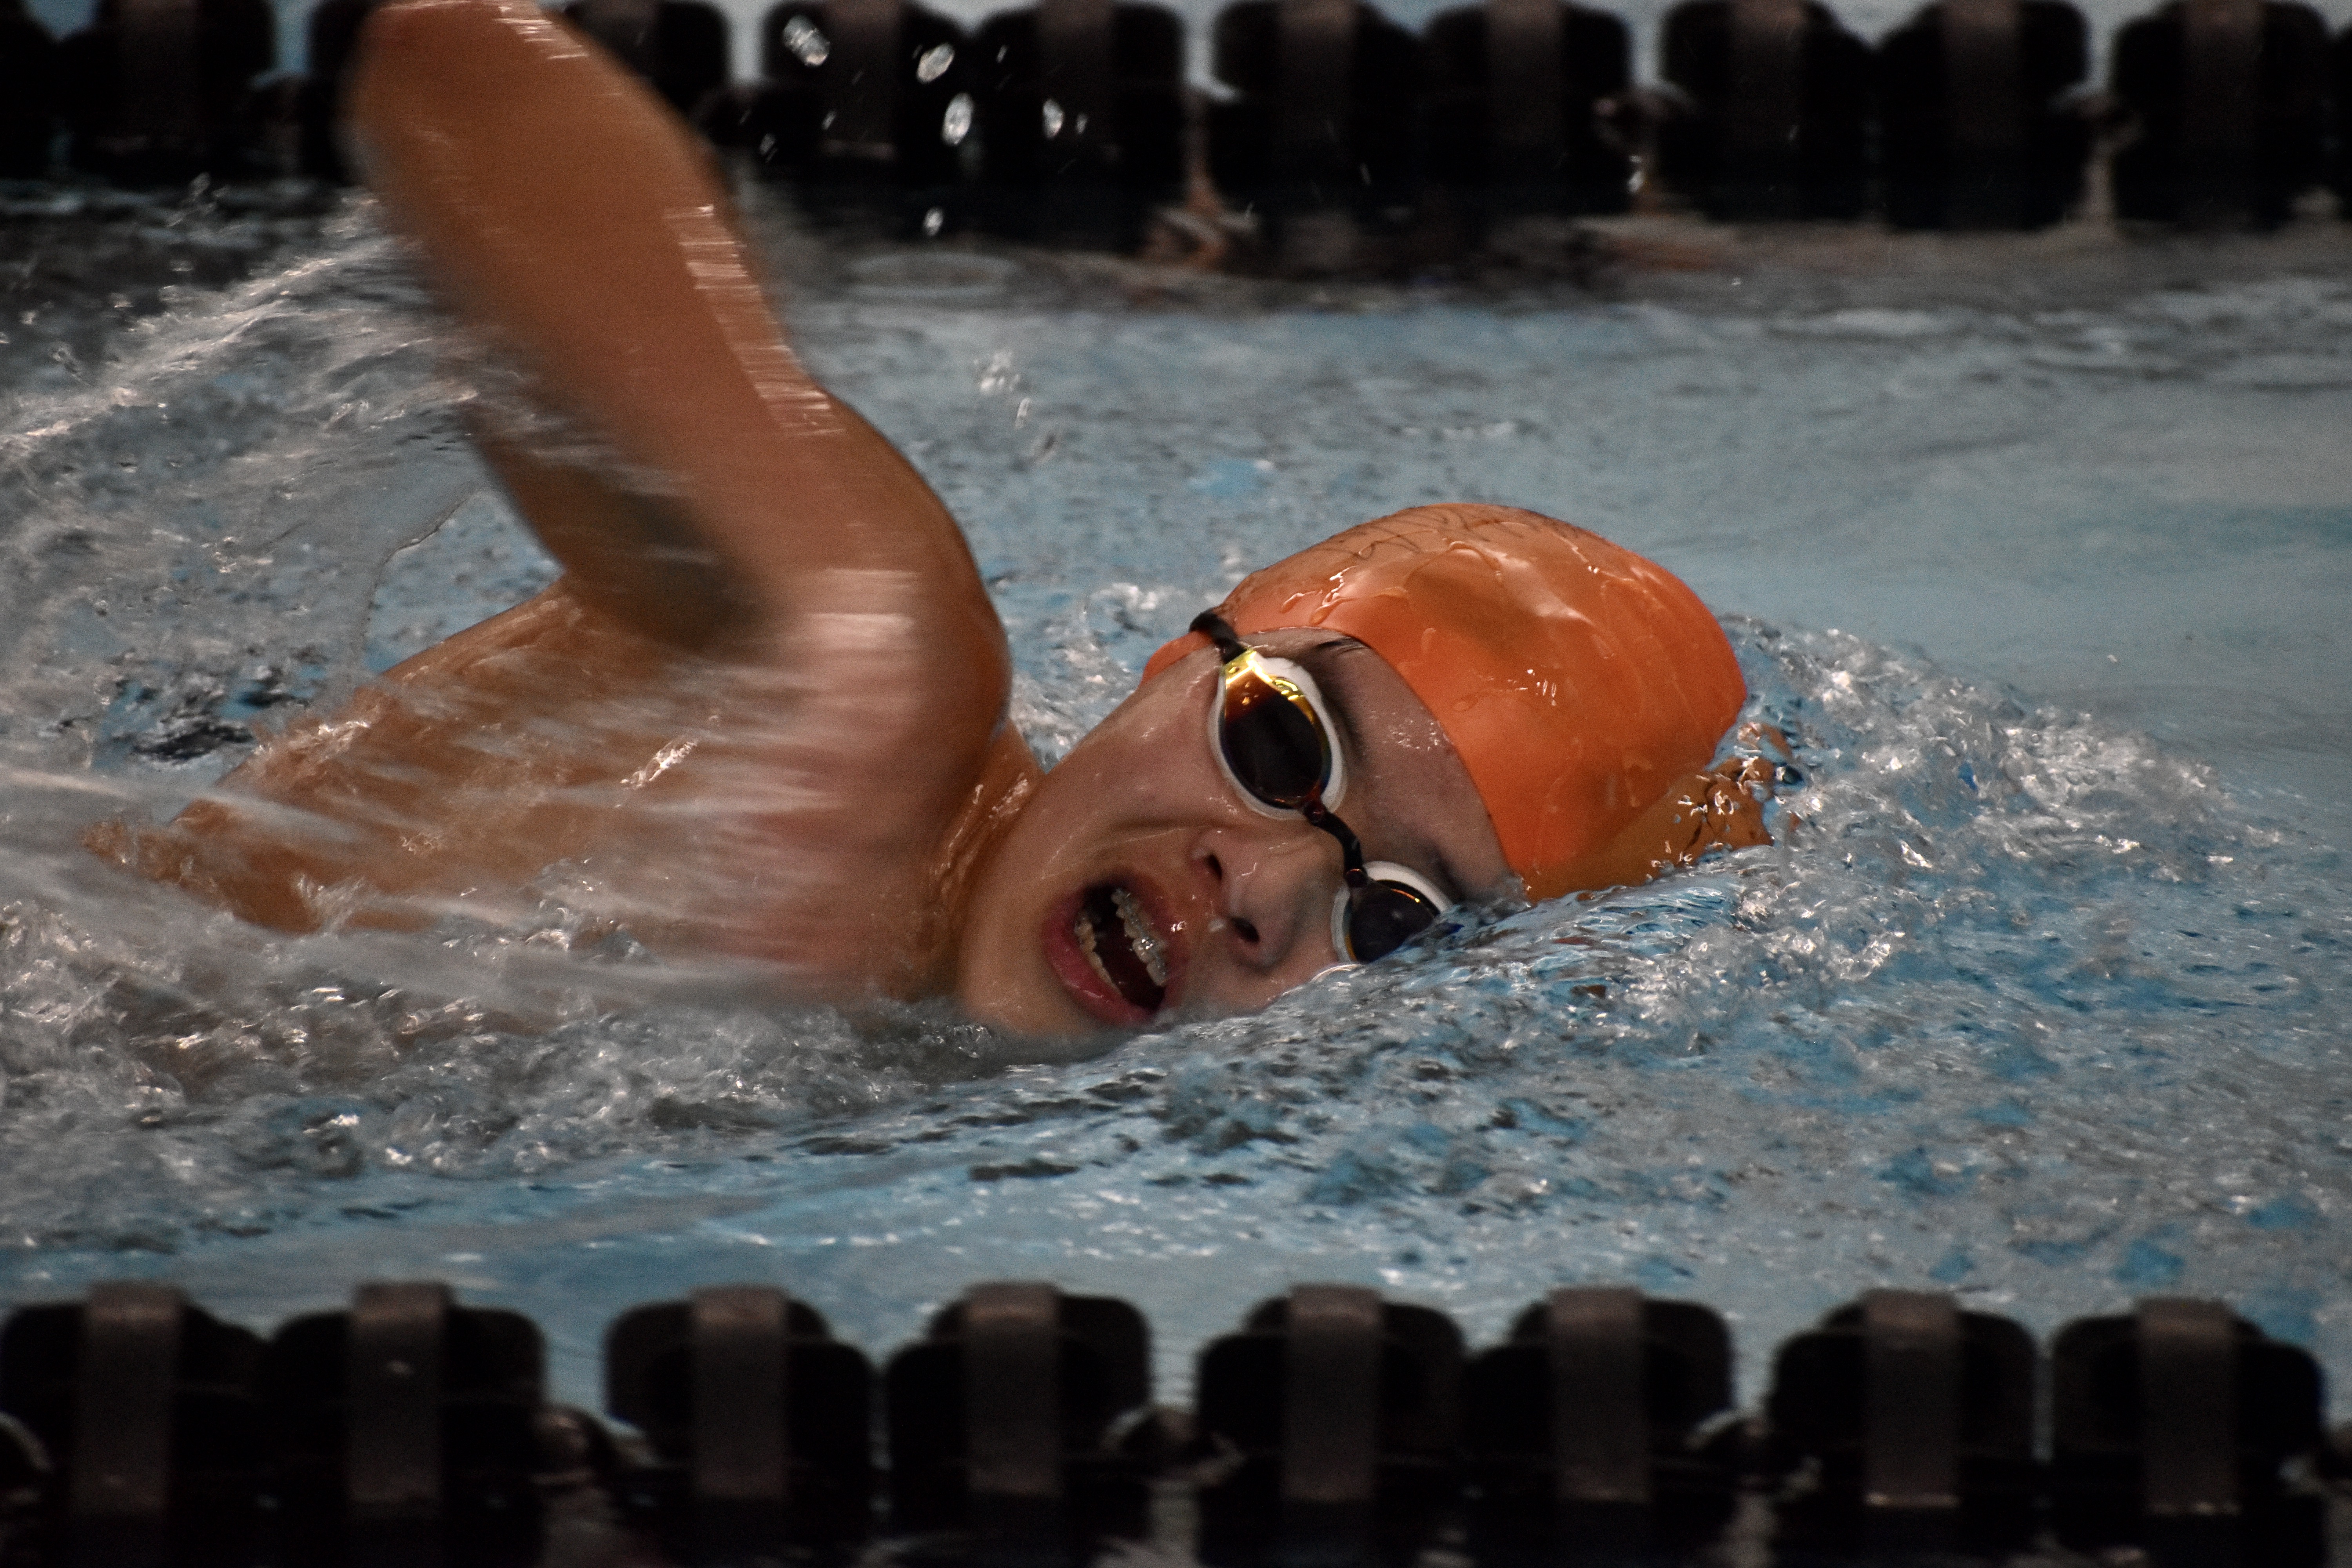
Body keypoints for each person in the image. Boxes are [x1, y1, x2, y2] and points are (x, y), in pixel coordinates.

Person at [91, 0, 1771, 1037]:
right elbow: (450, 73)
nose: (1261, 884)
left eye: (1393, 915)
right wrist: (853, 623)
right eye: (1280, 744)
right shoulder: (868, 673)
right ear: (1177, 662)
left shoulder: (929, 1103)